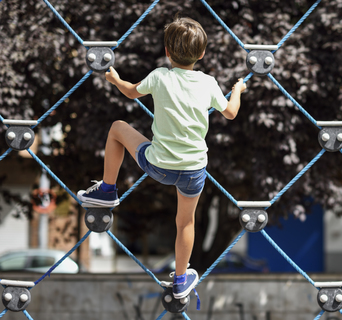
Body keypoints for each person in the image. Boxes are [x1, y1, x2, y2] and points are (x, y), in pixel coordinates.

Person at [77, 16, 246, 299]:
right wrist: (237, 90)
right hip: (193, 171)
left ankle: (107, 190)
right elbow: (230, 112)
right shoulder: (208, 83)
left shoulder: (159, 76)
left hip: (159, 166)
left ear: (167, 52)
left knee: (117, 128)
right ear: (202, 54)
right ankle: (181, 279)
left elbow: (131, 93)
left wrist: (116, 78)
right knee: (186, 223)